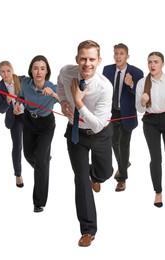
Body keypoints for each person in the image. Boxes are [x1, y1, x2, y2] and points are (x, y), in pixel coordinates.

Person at [57, 40, 113, 247]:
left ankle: (96, 176)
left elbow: (98, 125)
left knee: (106, 172)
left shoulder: (105, 87)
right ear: (77, 60)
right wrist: (63, 101)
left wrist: (78, 101)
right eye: (83, 59)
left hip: (99, 134)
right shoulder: (67, 72)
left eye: (91, 59)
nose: (87, 63)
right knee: (80, 178)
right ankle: (88, 230)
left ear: (99, 61)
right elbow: (60, 85)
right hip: (75, 134)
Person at [135, 51, 165, 208]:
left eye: (156, 62)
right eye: (150, 62)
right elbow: (139, 110)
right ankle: (158, 192)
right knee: (155, 158)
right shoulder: (142, 83)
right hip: (150, 121)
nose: (152, 65)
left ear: (163, 63)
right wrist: (142, 102)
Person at [14, 55, 58, 213]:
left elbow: (66, 101)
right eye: (35, 68)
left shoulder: (52, 87)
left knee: (40, 162)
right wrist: (18, 104)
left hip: (46, 125)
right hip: (29, 121)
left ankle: (39, 202)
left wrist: (53, 94)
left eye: (42, 68)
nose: (39, 71)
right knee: (28, 155)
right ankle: (43, 164)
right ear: (31, 71)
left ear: (47, 72)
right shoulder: (25, 83)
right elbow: (20, 96)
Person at [103, 43, 144, 192]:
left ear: (127, 56)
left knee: (124, 144)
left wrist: (131, 84)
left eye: (121, 53)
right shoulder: (107, 70)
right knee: (114, 142)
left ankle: (122, 179)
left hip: (127, 114)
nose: (118, 56)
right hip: (112, 113)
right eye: (116, 53)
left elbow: (141, 97)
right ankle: (124, 162)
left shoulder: (137, 72)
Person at [0, 61, 25, 188]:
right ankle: (18, 174)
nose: (6, 74)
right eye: (3, 71)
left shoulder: (22, 80)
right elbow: (1, 110)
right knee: (17, 146)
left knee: (34, 141)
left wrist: (19, 104)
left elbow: (31, 96)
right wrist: (7, 102)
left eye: (8, 71)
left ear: (12, 70)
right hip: (15, 119)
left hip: (28, 115)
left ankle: (40, 162)